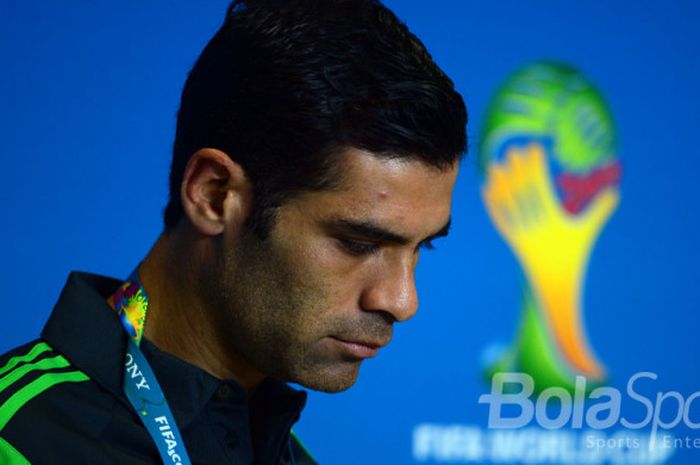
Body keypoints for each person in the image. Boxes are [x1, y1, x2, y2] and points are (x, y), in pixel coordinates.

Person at [0, 0, 467, 463]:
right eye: (358, 243)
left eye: (421, 246)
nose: (403, 301)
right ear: (213, 194)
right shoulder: (19, 438)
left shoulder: (285, 453)